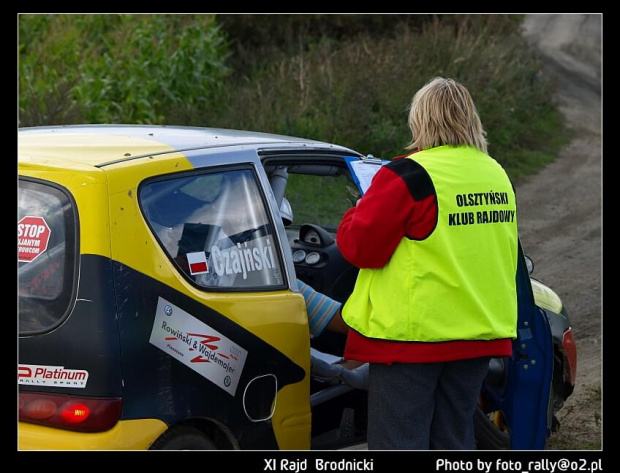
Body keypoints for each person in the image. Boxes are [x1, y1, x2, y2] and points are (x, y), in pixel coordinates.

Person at [336, 77, 519, 450]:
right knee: (453, 439)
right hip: (479, 334)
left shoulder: (408, 175)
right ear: (470, 119)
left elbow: (359, 248)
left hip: (413, 339)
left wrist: (356, 210)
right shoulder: (494, 172)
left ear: (420, 121)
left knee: (399, 441)